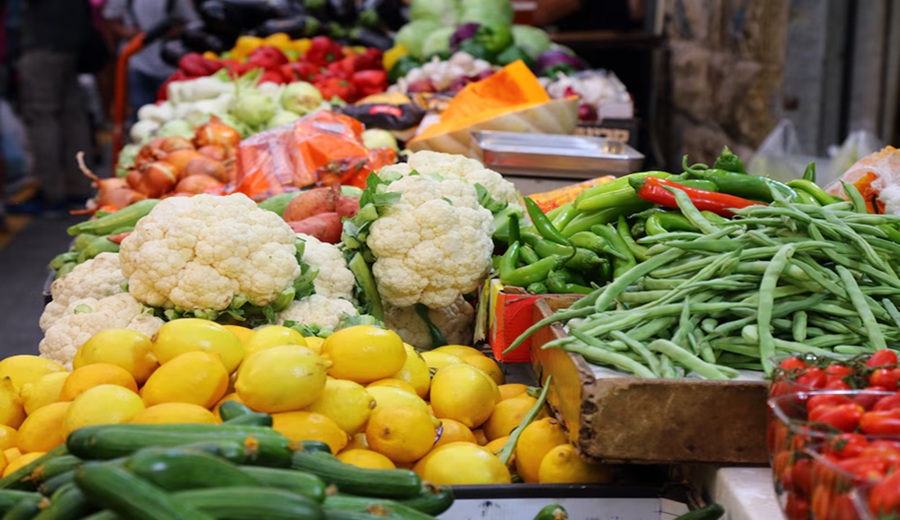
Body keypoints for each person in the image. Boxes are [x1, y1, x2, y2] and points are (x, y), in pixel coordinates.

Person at [13, 0, 95, 216]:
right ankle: (81, 189)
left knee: (42, 117)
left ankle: (53, 195)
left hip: (43, 44)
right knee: (72, 117)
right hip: (70, 44)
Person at [102, 0, 198, 120]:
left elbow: (191, 20)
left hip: (168, 67)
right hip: (137, 62)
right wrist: (126, 33)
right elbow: (109, 17)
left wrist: (175, 31)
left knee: (171, 111)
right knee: (140, 111)